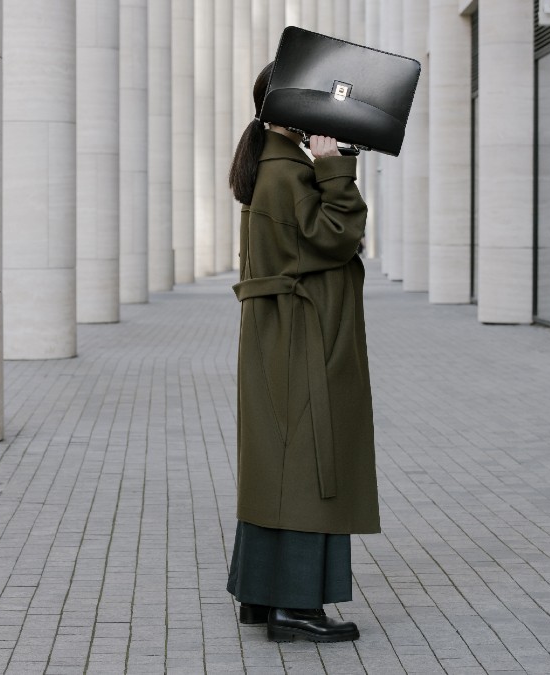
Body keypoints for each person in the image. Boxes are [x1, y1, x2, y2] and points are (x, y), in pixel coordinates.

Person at [224, 62, 380, 644]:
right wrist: (337, 166)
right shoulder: (287, 171)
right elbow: (334, 238)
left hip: (286, 329)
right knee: (311, 462)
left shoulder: (272, 161)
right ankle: (296, 608)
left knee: (280, 460)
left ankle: (264, 596)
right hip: (304, 332)